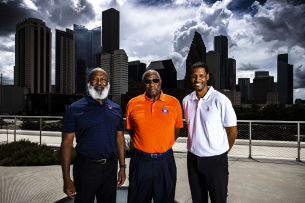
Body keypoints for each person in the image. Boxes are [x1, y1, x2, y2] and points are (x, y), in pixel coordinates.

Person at [61, 68, 126, 203]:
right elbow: (66, 144)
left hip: (110, 168)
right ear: (89, 83)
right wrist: (66, 178)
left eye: (103, 79)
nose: (99, 82)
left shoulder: (116, 109)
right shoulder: (74, 109)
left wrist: (122, 167)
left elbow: (120, 139)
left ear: (108, 84)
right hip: (85, 168)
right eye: (95, 79)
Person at [182, 61, 238, 203]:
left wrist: (223, 151)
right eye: (194, 76)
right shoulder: (186, 100)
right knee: (198, 199)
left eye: (201, 76)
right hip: (193, 159)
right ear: (190, 78)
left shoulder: (220, 100)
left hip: (215, 160)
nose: (197, 79)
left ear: (207, 77)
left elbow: (232, 131)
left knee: (218, 199)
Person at [126, 69, 183, 203]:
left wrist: (162, 145)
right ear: (143, 84)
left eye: (155, 80)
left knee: (165, 199)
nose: (152, 84)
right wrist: (146, 144)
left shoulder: (174, 102)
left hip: (165, 161)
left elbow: (177, 130)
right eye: (148, 81)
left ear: (160, 81)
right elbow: (131, 130)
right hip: (140, 161)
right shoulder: (133, 103)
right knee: (137, 199)